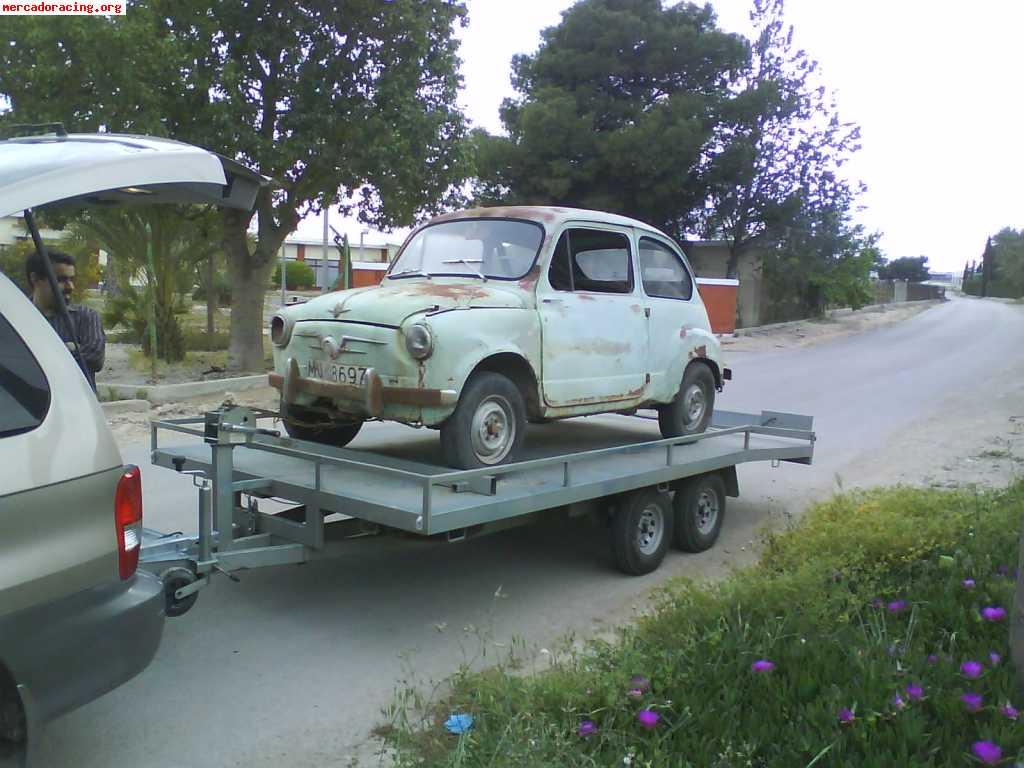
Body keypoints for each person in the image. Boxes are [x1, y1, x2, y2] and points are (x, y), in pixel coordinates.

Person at [25, 249, 106, 390]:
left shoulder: (85, 317)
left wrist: (35, 357)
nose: (70, 287)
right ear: (35, 279)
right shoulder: (18, 318)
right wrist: (69, 347)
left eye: (72, 279)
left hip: (77, 406)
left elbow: (95, 359)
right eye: (61, 280)